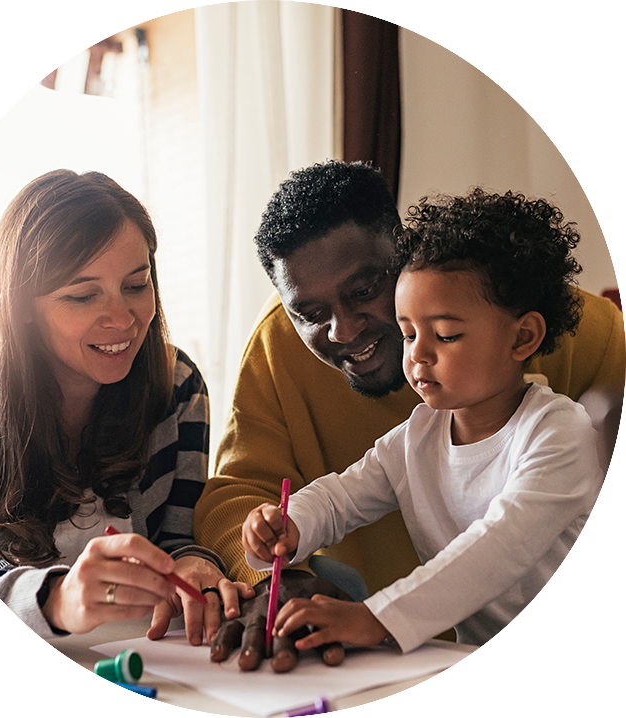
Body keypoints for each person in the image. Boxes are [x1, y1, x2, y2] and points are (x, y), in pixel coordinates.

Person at [195, 161, 625, 664]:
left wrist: (376, 617)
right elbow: (341, 496)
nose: (343, 331)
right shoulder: (421, 432)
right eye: (408, 332)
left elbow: (495, 547)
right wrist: (287, 528)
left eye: (443, 335)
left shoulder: (559, 432)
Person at [0, 169, 252, 642]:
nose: (123, 319)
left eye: (136, 285)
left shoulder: (177, 386)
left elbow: (175, 538)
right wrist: (57, 599)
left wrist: (195, 564)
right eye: (82, 295)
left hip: (142, 663)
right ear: (22, 305)